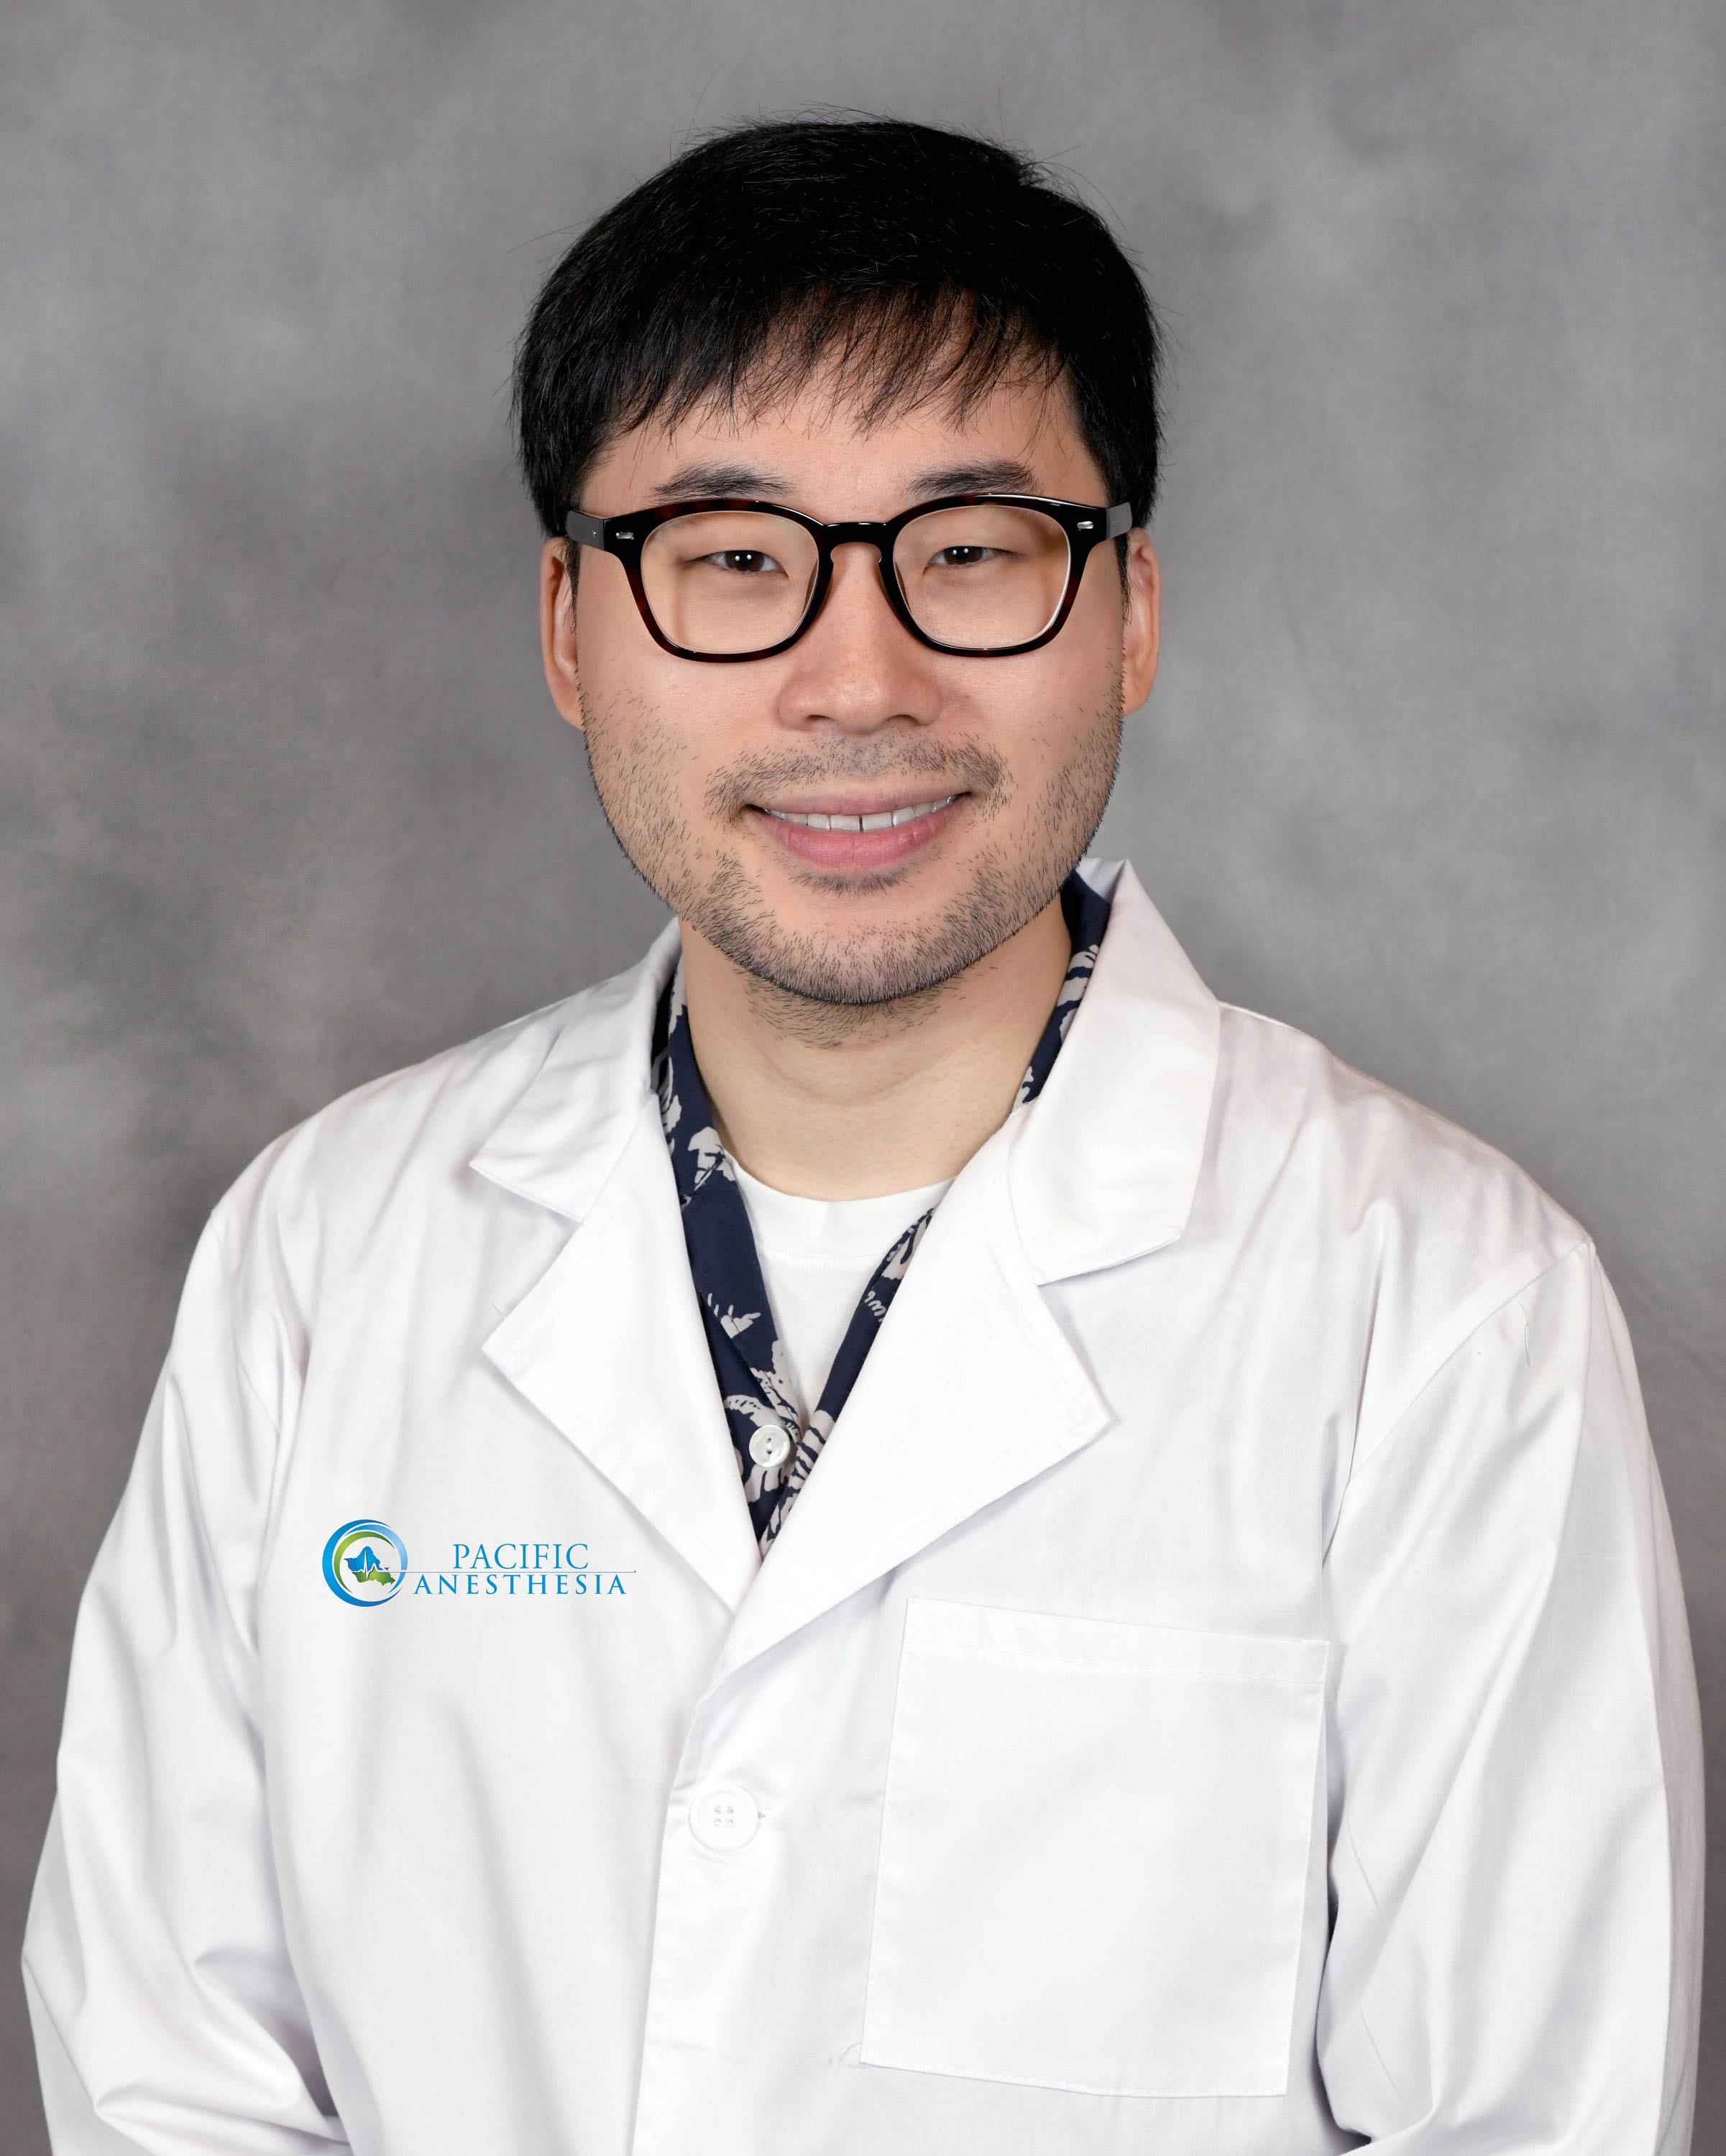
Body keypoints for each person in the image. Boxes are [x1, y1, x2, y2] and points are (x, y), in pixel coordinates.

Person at [22, 116, 1702, 2156]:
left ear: (1127, 609)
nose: (854, 683)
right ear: (568, 629)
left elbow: (1528, 2120)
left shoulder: (1439, 1307)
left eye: (969, 552)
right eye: (733, 560)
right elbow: (168, 2072)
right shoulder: (329, 1248)